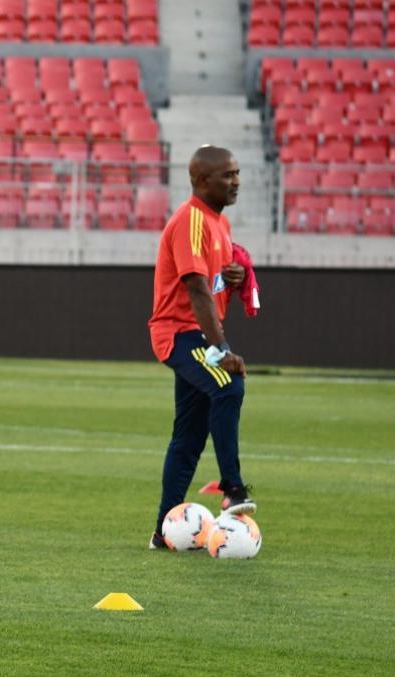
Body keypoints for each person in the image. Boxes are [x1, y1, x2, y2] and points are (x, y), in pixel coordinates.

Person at [146, 145, 256, 551]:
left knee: (189, 436)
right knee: (228, 384)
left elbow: (209, 284)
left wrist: (234, 276)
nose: (236, 181)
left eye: (238, 173)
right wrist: (221, 348)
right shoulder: (192, 219)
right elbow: (193, 287)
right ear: (201, 181)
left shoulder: (218, 225)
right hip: (180, 333)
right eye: (228, 175)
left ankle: (164, 530)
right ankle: (232, 488)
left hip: (196, 332)